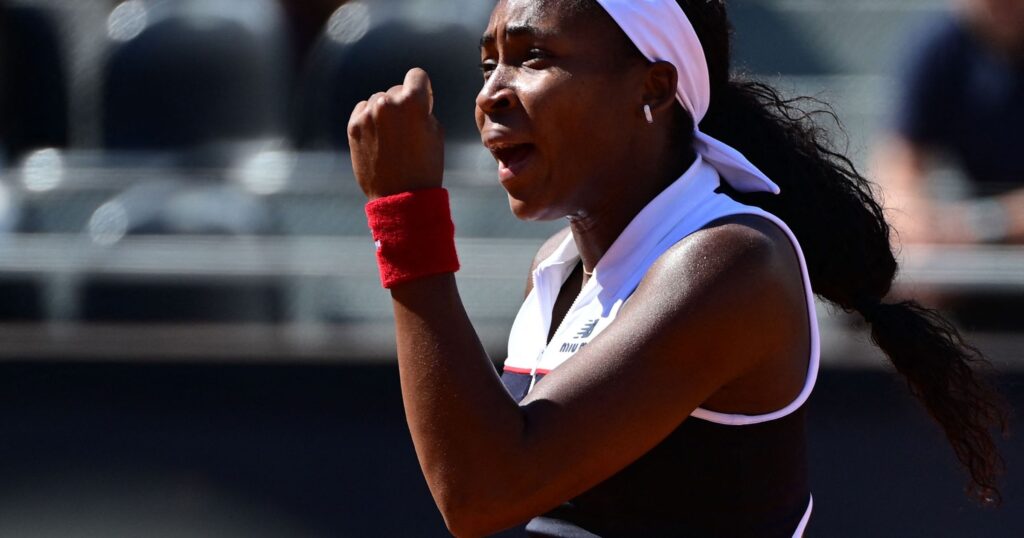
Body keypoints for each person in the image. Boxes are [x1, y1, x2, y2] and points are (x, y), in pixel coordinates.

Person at [347, 1, 1008, 536]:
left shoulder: (730, 264)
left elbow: (481, 493)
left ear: (654, 87)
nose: (491, 92)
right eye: (489, 62)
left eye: (533, 57)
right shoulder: (557, 268)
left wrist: (405, 215)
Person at [875, 0, 1024, 244]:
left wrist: (983, 225)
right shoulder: (940, 43)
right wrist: (917, 221)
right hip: (966, 240)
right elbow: (897, 168)